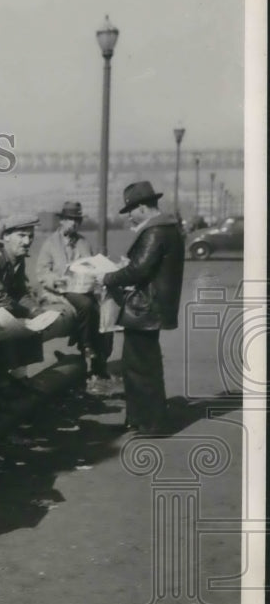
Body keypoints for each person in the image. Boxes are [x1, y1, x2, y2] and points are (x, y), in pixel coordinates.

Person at [99, 181, 185, 435]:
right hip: (154, 308)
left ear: (142, 207)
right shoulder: (169, 229)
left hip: (144, 309)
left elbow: (139, 270)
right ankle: (139, 419)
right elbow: (148, 266)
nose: (130, 217)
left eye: (131, 211)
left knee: (140, 368)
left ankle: (152, 424)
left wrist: (106, 278)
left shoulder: (154, 231)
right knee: (139, 365)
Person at [35, 201, 112, 384]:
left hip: (83, 287)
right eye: (70, 220)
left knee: (104, 313)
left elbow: (91, 265)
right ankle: (86, 346)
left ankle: (99, 362)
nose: (74, 224)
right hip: (61, 290)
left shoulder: (84, 242)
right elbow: (42, 271)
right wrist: (55, 280)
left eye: (77, 220)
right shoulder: (50, 243)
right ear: (62, 221)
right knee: (85, 305)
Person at [0, 215, 44, 318]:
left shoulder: (18, 257)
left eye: (31, 236)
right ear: (6, 236)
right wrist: (27, 313)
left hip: (4, 309)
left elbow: (20, 292)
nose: (27, 242)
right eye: (21, 235)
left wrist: (36, 310)